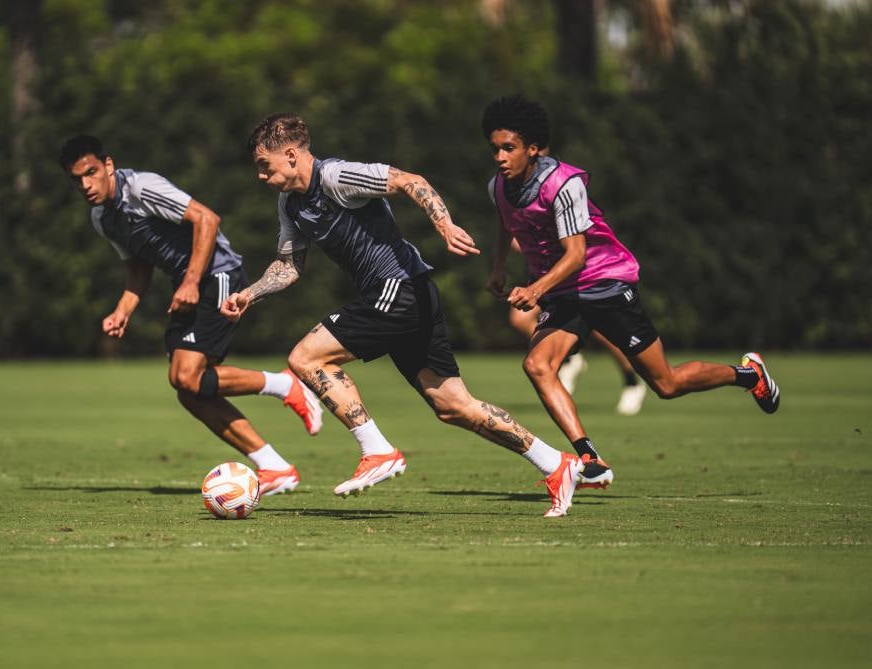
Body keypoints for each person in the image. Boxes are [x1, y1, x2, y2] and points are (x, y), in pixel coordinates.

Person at [221, 112, 584, 518]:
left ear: (290, 155)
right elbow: (289, 266)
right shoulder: (290, 204)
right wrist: (249, 295)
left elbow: (411, 181)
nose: (260, 176)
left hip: (400, 288)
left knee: (306, 357)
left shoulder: (336, 177)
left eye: (263, 166)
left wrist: (444, 224)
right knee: (453, 405)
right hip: (409, 293)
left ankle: (376, 450)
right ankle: (556, 463)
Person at [482, 95, 780, 490]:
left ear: (533, 148)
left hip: (605, 282)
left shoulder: (564, 184)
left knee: (666, 385)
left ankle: (747, 374)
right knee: (537, 365)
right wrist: (500, 267)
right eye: (495, 148)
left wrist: (535, 288)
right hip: (564, 293)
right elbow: (507, 222)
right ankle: (590, 459)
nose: (500, 157)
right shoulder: (498, 187)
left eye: (509, 148)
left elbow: (576, 256)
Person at [58, 134, 322, 497]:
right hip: (191, 285)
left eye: (91, 173)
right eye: (76, 179)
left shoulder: (141, 188)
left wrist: (191, 282)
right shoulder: (103, 218)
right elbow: (137, 268)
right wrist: (123, 311)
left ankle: (286, 385)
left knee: (186, 376)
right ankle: (275, 467)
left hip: (219, 275)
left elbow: (207, 219)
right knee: (190, 390)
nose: (86, 185)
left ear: (107, 165)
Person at [505, 240, 648, 415]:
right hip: (549, 274)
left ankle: (631, 381)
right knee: (520, 318)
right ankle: (570, 360)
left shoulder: (568, 214)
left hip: (582, 275)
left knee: (601, 331)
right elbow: (515, 241)